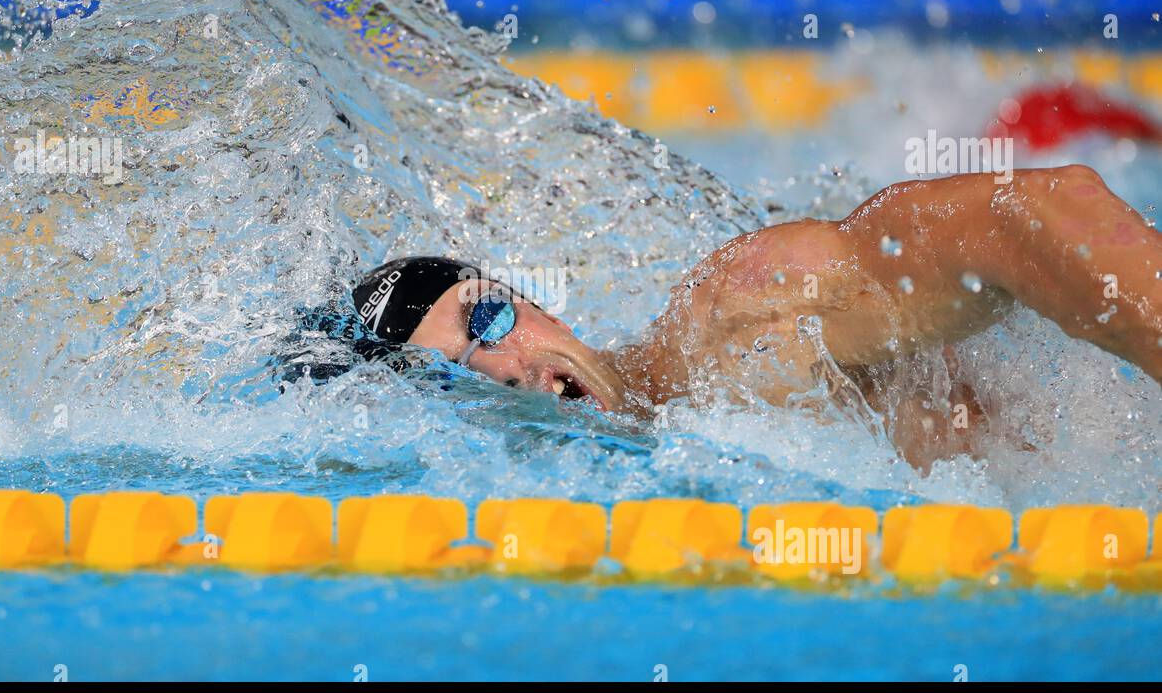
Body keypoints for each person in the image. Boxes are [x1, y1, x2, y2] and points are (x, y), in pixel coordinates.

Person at [350, 166, 1162, 468]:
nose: (503, 366)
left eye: (487, 320)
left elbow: (1035, 208)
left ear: (535, 301)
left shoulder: (742, 318)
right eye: (452, 375)